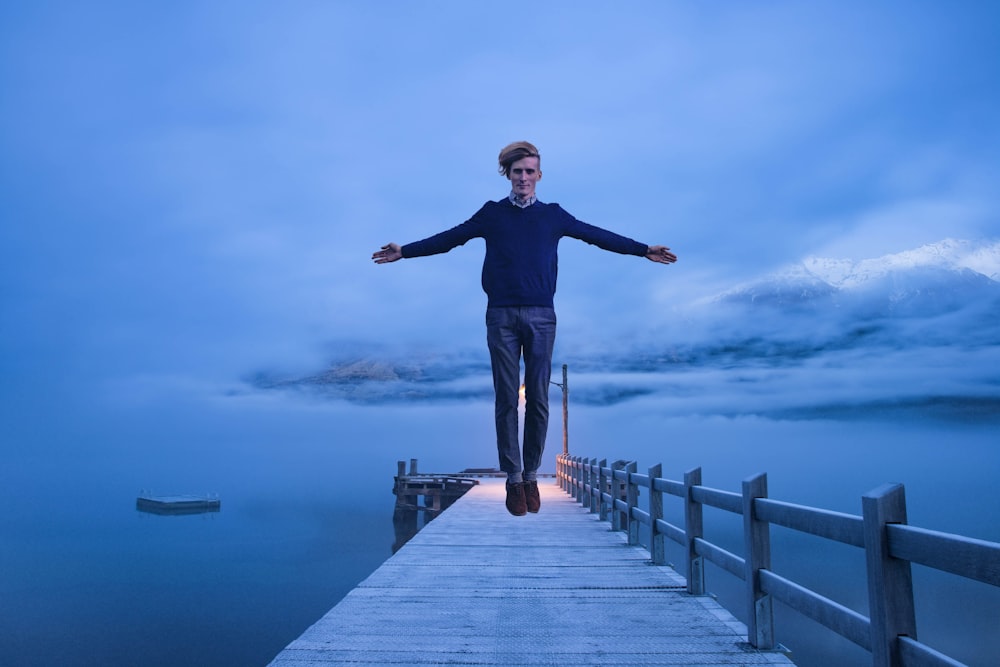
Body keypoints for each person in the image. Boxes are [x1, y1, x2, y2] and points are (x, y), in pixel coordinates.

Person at [372, 141, 677, 517]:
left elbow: (597, 235)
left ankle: (531, 473)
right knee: (505, 399)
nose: (524, 178)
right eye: (517, 172)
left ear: (539, 175)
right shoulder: (491, 214)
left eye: (530, 171)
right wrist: (405, 251)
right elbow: (450, 238)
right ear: (508, 174)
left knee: (538, 399)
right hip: (500, 316)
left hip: (542, 316)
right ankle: (514, 479)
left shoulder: (553, 215)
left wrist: (643, 249)